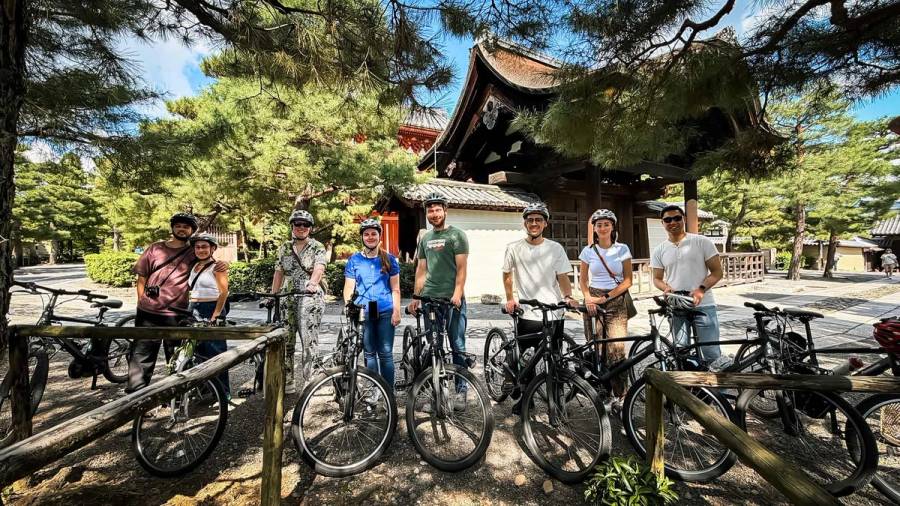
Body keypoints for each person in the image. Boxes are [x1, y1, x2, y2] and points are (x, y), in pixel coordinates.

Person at [127, 212, 226, 393]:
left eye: (186, 227)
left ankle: (176, 396)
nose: (182, 229)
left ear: (192, 231)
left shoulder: (192, 250)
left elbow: (208, 260)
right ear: (172, 227)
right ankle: (135, 397)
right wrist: (141, 301)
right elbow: (141, 278)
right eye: (178, 225)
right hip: (149, 311)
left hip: (177, 312)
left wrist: (224, 264)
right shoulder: (155, 249)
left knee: (176, 356)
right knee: (142, 355)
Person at [502, 202, 577, 413]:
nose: (534, 223)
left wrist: (568, 296)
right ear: (525, 223)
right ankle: (526, 398)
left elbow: (562, 277)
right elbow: (507, 274)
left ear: (545, 223)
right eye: (530, 220)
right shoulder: (514, 248)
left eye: (538, 220)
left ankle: (557, 402)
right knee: (524, 359)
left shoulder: (555, 248)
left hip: (553, 312)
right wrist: (510, 298)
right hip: (527, 312)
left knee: (555, 359)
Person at [407, 191, 469, 409]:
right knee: (435, 346)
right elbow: (421, 269)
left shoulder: (457, 235)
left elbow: (462, 268)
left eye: (437, 209)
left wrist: (457, 293)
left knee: (457, 345)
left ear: (445, 211)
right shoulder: (425, 239)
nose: (434, 214)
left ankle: (461, 392)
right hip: (430, 300)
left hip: (453, 299)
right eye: (430, 210)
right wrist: (416, 296)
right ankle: (438, 393)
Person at [650, 205, 724, 361]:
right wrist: (665, 287)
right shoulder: (659, 250)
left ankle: (718, 386)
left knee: (711, 352)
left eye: (677, 218)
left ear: (683, 219)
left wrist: (701, 289)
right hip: (677, 305)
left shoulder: (701, 242)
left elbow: (717, 272)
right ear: (662, 223)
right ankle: (688, 385)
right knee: (681, 352)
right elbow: (656, 278)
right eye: (668, 219)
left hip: (703, 304)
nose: (673, 222)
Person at [578, 209, 633, 406]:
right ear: (594, 228)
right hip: (593, 296)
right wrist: (589, 299)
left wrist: (606, 297)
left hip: (616, 298)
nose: (602, 228)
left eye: (606, 224)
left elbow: (628, 281)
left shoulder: (622, 249)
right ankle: (603, 391)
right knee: (597, 347)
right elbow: (583, 280)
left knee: (616, 349)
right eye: (599, 224)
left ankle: (622, 395)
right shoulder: (588, 251)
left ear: (613, 226)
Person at [271, 209, 327, 394]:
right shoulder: (284, 247)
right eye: (297, 224)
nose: (301, 227)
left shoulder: (317, 246)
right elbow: (279, 271)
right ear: (292, 227)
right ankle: (288, 378)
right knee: (287, 339)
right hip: (288, 296)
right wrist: (273, 295)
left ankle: (311, 380)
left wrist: (313, 283)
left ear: (310, 228)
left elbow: (319, 267)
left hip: (309, 296)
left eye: (305, 225)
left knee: (309, 339)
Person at [343, 219, 402, 387]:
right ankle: (373, 390)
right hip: (364, 311)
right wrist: (348, 306)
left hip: (384, 309)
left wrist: (397, 310)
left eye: (373, 234)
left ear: (379, 236)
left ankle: (388, 392)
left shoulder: (389, 259)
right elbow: (349, 287)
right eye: (366, 234)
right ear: (362, 237)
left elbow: (395, 289)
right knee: (369, 353)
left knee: (385, 354)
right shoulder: (354, 260)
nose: (370, 237)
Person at [187, 233, 231, 397]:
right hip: (194, 308)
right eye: (197, 247)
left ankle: (223, 392)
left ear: (212, 248)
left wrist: (216, 315)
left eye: (204, 247)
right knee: (199, 351)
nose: (201, 250)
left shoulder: (217, 267)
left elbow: (224, 292)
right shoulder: (194, 266)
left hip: (212, 307)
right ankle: (206, 389)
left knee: (216, 352)